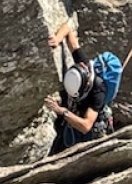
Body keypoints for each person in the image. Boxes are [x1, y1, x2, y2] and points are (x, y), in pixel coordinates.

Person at [45, 16, 116, 147]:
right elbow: (67, 29)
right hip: (76, 110)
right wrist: (57, 39)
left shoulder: (98, 91)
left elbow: (86, 126)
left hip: (89, 125)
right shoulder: (83, 65)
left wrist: (62, 111)